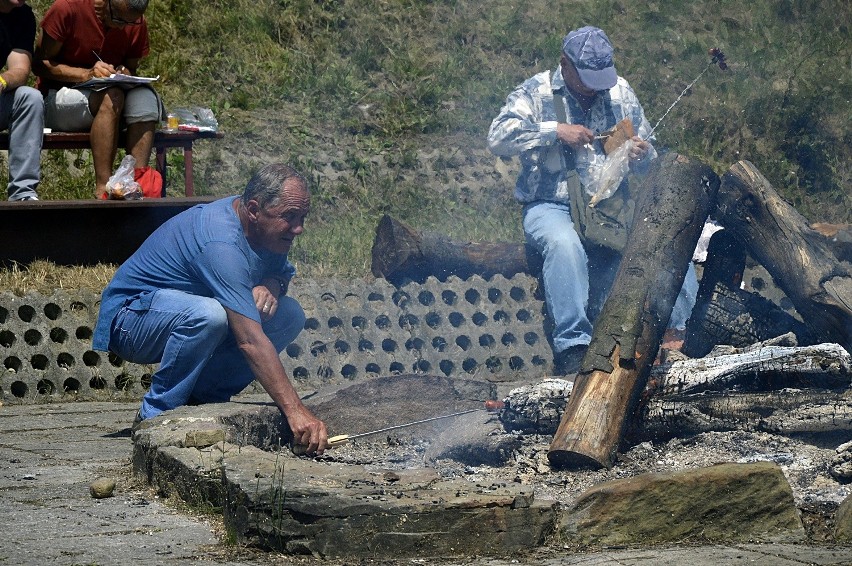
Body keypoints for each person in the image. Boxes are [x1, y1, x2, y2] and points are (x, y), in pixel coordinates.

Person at [488, 26, 697, 374]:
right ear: (565, 65)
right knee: (563, 244)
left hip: (614, 206)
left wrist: (642, 154)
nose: (596, 88)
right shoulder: (536, 91)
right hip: (552, 205)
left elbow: (650, 153)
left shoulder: (620, 92)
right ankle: (574, 346)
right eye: (588, 78)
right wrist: (555, 130)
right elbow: (498, 137)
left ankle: (679, 336)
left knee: (667, 236)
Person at [92, 164, 329, 455]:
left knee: (289, 315)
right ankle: (155, 417)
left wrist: (272, 283)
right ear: (254, 209)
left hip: (183, 315)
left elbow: (282, 271)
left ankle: (202, 402)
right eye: (290, 217)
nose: (298, 228)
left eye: (302, 217)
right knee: (209, 315)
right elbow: (249, 341)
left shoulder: (265, 227)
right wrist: (296, 412)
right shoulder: (220, 241)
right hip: (131, 320)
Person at [33, 0, 162, 199]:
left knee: (146, 98)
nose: (122, 26)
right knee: (112, 97)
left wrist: (123, 72)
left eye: (130, 23)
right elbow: (40, 64)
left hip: (108, 97)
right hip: (56, 97)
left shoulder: (133, 20)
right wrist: (86, 74)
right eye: (118, 18)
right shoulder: (67, 8)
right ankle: (104, 189)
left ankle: (134, 183)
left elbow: (131, 66)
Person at [0, 0, 43, 201]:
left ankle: (22, 195)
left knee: (29, 98)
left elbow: (20, 69)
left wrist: (2, 81)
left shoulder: (23, 16)